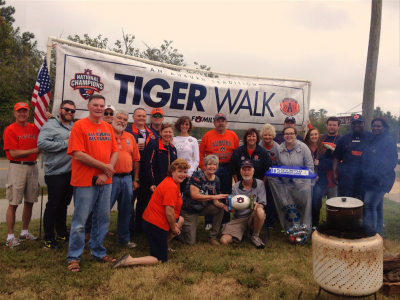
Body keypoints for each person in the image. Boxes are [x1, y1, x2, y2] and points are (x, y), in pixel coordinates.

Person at [67, 94, 119, 272]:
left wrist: (107, 171)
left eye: (101, 106)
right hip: (84, 181)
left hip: (106, 181)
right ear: (88, 106)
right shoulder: (79, 126)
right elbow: (78, 154)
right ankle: (74, 257)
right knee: (80, 221)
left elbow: (115, 151)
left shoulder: (107, 127)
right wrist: (104, 167)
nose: (99, 108)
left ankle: (98, 251)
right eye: (95, 105)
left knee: (103, 218)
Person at [112, 159, 190, 268]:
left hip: (153, 219)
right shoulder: (171, 186)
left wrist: (174, 224)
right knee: (160, 259)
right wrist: (173, 228)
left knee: (180, 220)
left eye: (185, 172)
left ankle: (162, 245)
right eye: (180, 171)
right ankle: (129, 261)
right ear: (172, 171)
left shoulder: (173, 182)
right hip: (156, 224)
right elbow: (169, 212)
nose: (183, 174)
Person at [38, 100, 75, 249]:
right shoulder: (50, 126)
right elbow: (41, 144)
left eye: (72, 111)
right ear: (60, 110)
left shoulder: (74, 126)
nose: (70, 112)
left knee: (64, 205)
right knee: (53, 205)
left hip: (70, 172)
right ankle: (48, 238)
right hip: (55, 173)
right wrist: (66, 143)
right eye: (67, 109)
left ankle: (61, 232)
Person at [3, 102, 41, 248]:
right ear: (14, 113)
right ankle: (10, 236)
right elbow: (13, 153)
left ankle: (24, 231)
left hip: (32, 167)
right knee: (14, 202)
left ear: (28, 113)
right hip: (17, 167)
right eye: (19, 111)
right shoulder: (10, 129)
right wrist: (35, 150)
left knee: (30, 201)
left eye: (24, 111)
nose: (22, 114)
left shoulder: (33, 127)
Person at [199, 113, 240, 230]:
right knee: (210, 193)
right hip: (212, 168)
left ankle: (225, 220)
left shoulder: (233, 135)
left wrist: (235, 168)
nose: (220, 123)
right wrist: (203, 167)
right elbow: (201, 153)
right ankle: (209, 221)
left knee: (226, 193)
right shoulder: (208, 135)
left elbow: (237, 153)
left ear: (226, 123)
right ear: (214, 123)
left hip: (227, 167)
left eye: (223, 121)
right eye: (218, 121)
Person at [177, 155, 228, 245]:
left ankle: (212, 237)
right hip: (189, 210)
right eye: (209, 164)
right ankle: (174, 230)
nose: (212, 166)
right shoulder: (197, 175)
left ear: (217, 166)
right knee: (190, 242)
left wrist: (225, 207)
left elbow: (216, 201)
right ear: (205, 165)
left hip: (203, 207)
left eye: (215, 164)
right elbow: (194, 195)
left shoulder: (217, 180)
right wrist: (213, 197)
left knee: (220, 209)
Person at [109, 109, 140, 248]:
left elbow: (136, 160)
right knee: (103, 210)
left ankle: (123, 238)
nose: (121, 121)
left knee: (127, 210)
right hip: (111, 178)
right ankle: (94, 236)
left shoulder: (130, 137)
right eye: (119, 118)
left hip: (127, 177)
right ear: (114, 119)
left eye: (124, 119)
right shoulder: (106, 134)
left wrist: (136, 179)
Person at [361, 117, 397, 235]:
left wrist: (378, 178)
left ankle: (369, 234)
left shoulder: (388, 141)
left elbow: (391, 162)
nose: (375, 128)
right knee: (377, 207)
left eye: (378, 126)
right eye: (374, 126)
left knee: (369, 206)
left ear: (384, 127)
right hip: (370, 180)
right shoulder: (374, 139)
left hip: (379, 181)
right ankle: (378, 234)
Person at [220, 161, 266, 249]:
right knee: (224, 240)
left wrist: (256, 206)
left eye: (249, 170)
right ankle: (245, 232)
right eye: (244, 170)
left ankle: (255, 236)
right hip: (239, 219)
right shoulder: (236, 186)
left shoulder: (260, 184)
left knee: (260, 211)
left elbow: (262, 204)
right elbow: (232, 208)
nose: (246, 172)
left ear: (253, 171)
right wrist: (230, 206)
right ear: (240, 172)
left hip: (253, 217)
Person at [125, 107, 154, 233]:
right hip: (131, 172)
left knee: (144, 202)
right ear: (133, 117)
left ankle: (140, 228)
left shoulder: (152, 133)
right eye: (139, 116)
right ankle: (129, 230)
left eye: (143, 116)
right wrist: (133, 147)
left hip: (147, 173)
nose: (141, 118)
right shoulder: (127, 131)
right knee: (129, 203)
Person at [332, 114, 373, 198]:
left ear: (364, 123)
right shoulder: (344, 138)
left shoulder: (372, 137)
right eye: (354, 123)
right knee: (344, 200)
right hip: (346, 176)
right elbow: (336, 157)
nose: (356, 125)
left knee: (362, 203)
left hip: (364, 177)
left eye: (359, 123)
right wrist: (334, 172)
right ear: (351, 124)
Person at [304, 128, 333, 228]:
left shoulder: (325, 149)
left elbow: (331, 163)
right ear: (308, 136)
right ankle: (304, 221)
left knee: (315, 201)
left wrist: (320, 163)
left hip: (320, 180)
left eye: (316, 134)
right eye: (311, 135)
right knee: (304, 201)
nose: (314, 136)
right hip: (306, 179)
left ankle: (315, 224)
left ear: (319, 136)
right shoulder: (304, 148)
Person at [145, 123, 178, 192]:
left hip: (170, 183)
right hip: (157, 183)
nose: (167, 134)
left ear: (173, 134)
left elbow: (175, 167)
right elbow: (149, 166)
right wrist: (152, 182)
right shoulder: (154, 146)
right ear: (160, 132)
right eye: (165, 132)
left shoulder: (173, 148)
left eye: (170, 132)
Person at [259, 123, 280, 229]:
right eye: (265, 135)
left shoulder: (278, 148)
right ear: (262, 135)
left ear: (273, 135)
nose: (267, 137)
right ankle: (259, 219)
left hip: (274, 177)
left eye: (269, 135)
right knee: (261, 199)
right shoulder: (259, 146)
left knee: (271, 199)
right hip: (260, 175)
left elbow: (281, 163)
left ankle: (270, 222)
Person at [173, 116, 199, 193]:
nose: (184, 126)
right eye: (182, 124)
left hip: (188, 174)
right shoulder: (173, 139)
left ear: (189, 126)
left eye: (186, 124)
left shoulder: (193, 140)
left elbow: (197, 160)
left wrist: (189, 172)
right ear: (179, 125)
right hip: (176, 173)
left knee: (186, 197)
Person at [320, 117, 342, 199]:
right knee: (317, 199)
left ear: (338, 126)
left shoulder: (342, 139)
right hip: (320, 172)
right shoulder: (321, 137)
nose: (332, 127)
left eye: (334, 125)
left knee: (333, 200)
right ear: (327, 125)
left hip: (333, 173)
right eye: (330, 125)